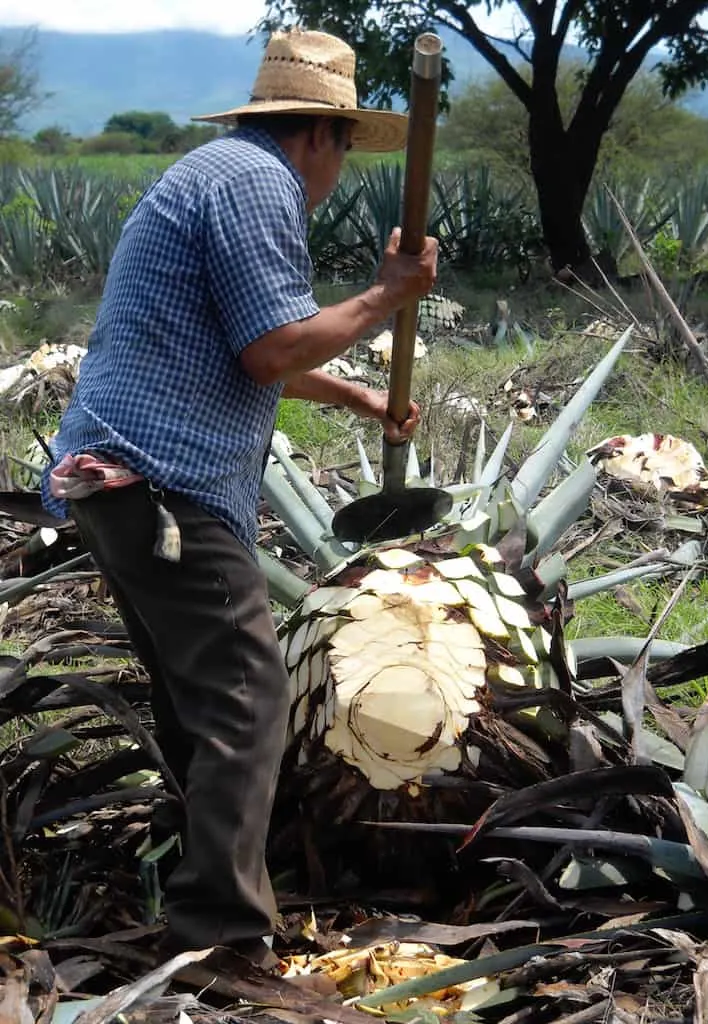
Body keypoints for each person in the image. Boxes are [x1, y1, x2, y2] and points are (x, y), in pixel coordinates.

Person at [41, 28, 438, 968]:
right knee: (250, 696)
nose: (339, 166)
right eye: (343, 146)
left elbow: (240, 348)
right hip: (163, 482)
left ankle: (201, 883)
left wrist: (354, 393)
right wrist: (385, 297)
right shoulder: (260, 184)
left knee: (195, 704)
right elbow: (269, 348)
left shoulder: (216, 171)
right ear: (322, 136)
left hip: (113, 480)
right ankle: (220, 936)